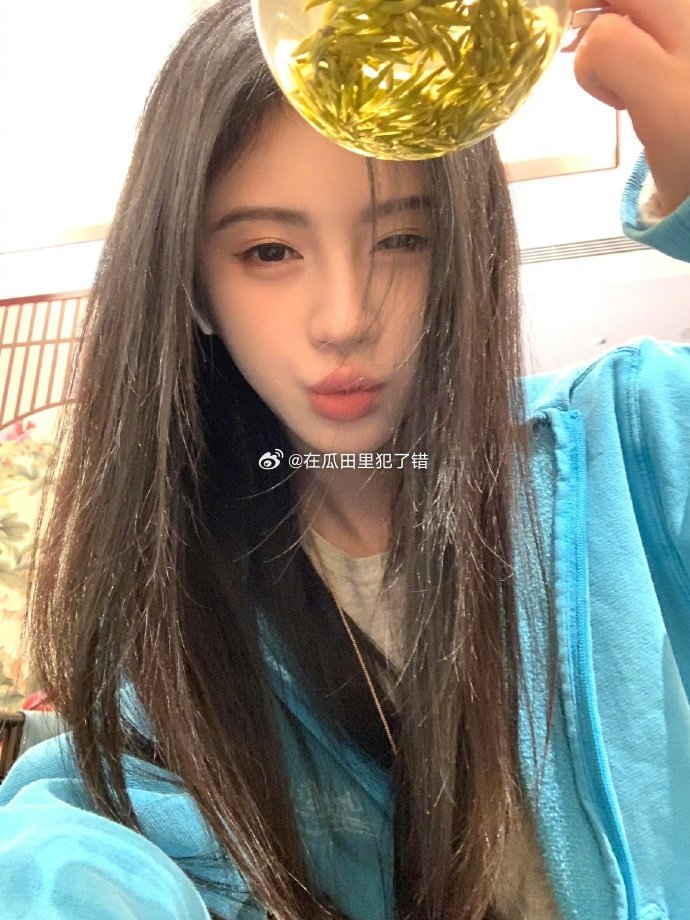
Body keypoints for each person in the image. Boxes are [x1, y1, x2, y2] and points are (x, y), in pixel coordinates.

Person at [0, 0, 688, 918]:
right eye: (269, 251)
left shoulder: (638, 439)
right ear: (195, 290)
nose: (343, 317)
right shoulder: (178, 606)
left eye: (401, 239)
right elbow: (76, 837)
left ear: (466, 247)